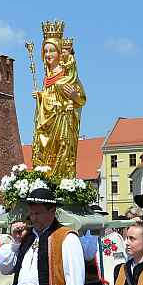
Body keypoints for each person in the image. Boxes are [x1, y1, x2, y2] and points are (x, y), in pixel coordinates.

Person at [31, 22, 86, 179]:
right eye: (45, 51)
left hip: (62, 122)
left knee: (62, 152)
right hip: (47, 121)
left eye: (52, 51)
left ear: (59, 53)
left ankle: (62, 181)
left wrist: (74, 97)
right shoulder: (47, 76)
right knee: (44, 150)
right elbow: (50, 95)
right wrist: (41, 96)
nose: (48, 55)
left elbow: (81, 98)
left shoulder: (68, 73)